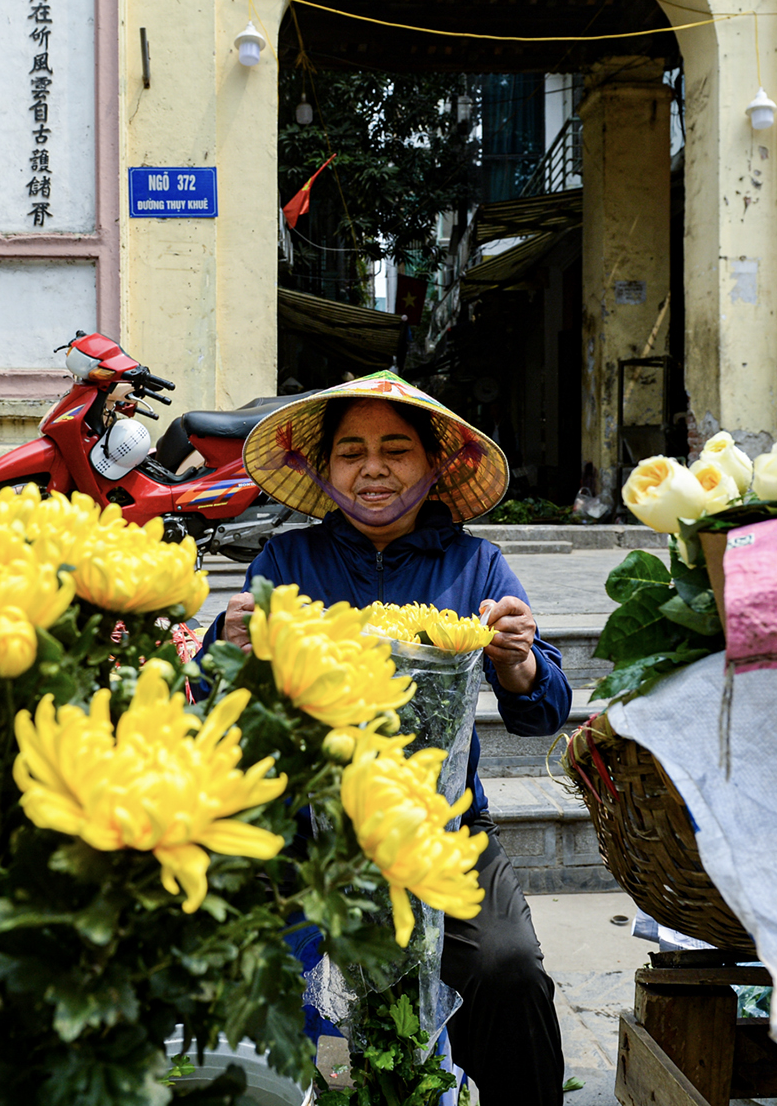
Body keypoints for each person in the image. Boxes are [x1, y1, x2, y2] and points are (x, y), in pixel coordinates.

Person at [197, 371, 571, 1106]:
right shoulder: (286, 564)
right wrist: (229, 646)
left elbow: (542, 712)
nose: (373, 468)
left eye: (396, 450)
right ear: (324, 468)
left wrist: (521, 659)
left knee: (509, 967)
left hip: (445, 835)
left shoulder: (476, 565)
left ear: (435, 468)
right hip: (312, 843)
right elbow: (221, 703)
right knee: (281, 987)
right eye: (351, 451)